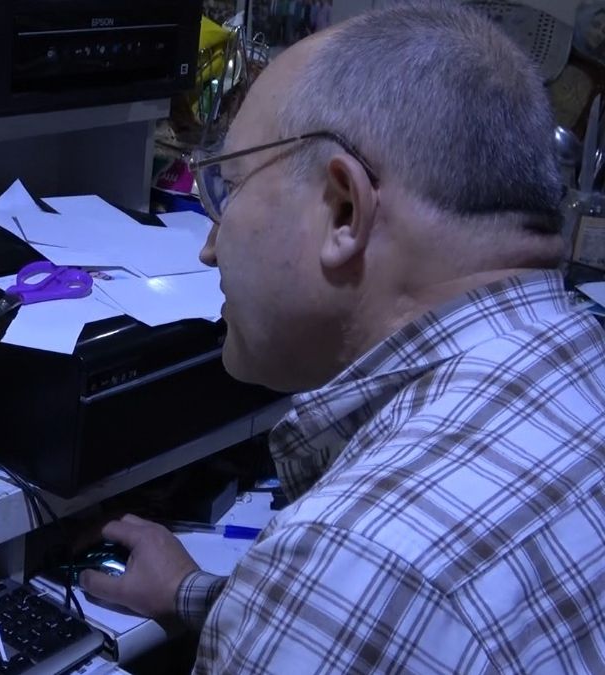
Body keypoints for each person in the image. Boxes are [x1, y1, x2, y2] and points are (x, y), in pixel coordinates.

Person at [80, 4, 605, 673]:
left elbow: (359, 597)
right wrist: (200, 593)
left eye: (227, 189)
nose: (209, 246)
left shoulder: (353, 561)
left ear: (344, 209)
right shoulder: (577, 360)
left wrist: (289, 601)